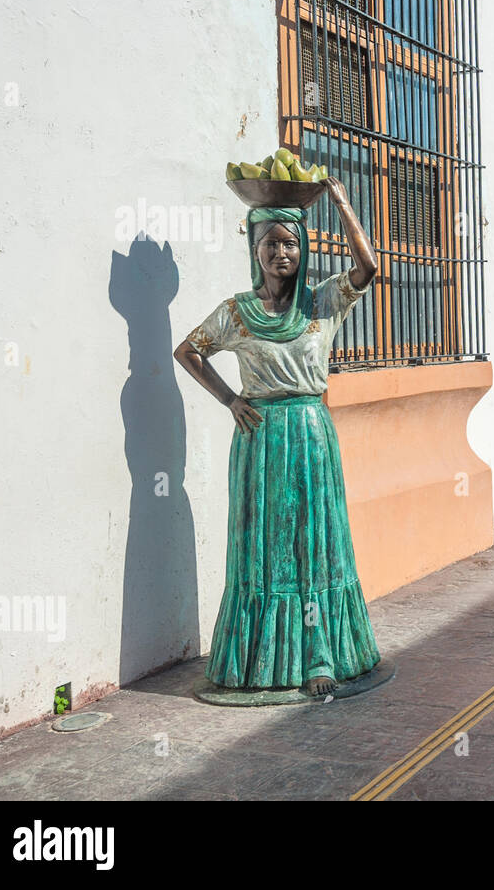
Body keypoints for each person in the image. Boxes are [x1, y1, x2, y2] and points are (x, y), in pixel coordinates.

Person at [174, 178, 382, 697]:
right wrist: (230, 400)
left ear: (304, 249)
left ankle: (320, 655)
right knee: (264, 547)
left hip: (311, 437)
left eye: (291, 242)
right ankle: (256, 662)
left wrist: (337, 200)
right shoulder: (237, 312)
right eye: (270, 242)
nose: (281, 252)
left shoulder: (322, 303)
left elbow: (369, 268)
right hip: (261, 440)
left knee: (315, 544)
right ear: (255, 249)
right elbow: (189, 351)